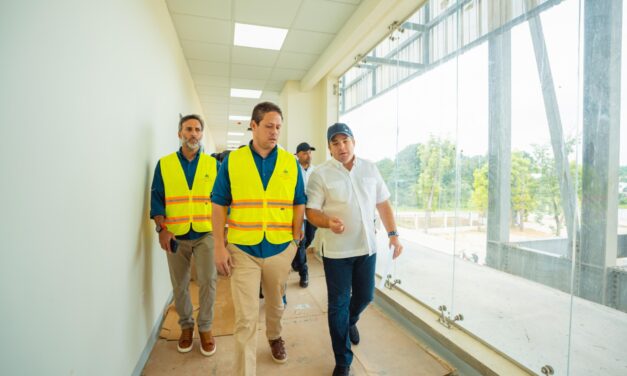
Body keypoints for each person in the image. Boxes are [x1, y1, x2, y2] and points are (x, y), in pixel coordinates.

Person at [211, 102, 306, 376]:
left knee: (276, 305)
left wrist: (295, 239)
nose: (274, 132)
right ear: (253, 125)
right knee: (246, 318)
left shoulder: (290, 162)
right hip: (243, 250)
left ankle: (275, 337)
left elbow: (299, 201)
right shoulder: (233, 160)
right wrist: (219, 245)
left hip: (279, 249)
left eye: (278, 127)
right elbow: (219, 203)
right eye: (268, 126)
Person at [305, 123, 403, 376]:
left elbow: (383, 204)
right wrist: (327, 222)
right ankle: (343, 359)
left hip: (367, 248)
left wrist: (393, 235)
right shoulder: (321, 174)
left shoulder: (370, 169)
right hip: (337, 252)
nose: (341, 147)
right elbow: (312, 211)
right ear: (329, 147)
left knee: (366, 295)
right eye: (335, 143)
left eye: (345, 141)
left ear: (353, 142)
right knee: (337, 303)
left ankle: (350, 321)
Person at [150, 114, 219, 356]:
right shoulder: (165, 164)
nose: (193, 134)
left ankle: (206, 328)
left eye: (197, 130)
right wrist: (162, 229)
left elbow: (221, 201)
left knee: (208, 281)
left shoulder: (213, 165)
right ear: (180, 133)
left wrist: (223, 235)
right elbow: (157, 199)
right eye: (188, 129)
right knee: (179, 284)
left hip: (205, 233)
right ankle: (186, 326)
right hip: (176, 234)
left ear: (201, 134)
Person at [291, 142, 318, 288]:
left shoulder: (316, 171)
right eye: (305, 153)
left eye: (310, 152)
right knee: (301, 243)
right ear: (298, 155)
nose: (308, 155)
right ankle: (304, 272)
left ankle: (296, 261)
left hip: (313, 212)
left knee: (309, 240)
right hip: (298, 213)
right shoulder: (293, 170)